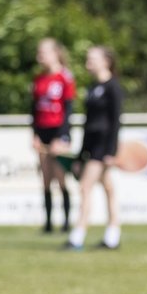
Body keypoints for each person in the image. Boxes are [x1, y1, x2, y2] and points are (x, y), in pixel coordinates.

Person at [64, 46, 125, 251]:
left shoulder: (113, 87)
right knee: (108, 188)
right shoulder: (92, 88)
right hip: (92, 145)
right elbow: (89, 123)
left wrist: (111, 151)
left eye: (92, 59)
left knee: (85, 186)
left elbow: (115, 121)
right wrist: (81, 154)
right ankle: (112, 235)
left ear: (106, 61)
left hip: (103, 147)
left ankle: (77, 236)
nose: (88, 62)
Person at [31, 38, 75, 234]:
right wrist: (35, 134)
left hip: (59, 133)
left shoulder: (65, 77)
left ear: (56, 53)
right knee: (46, 179)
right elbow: (34, 109)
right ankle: (48, 224)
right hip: (43, 133)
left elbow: (68, 109)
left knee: (61, 178)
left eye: (44, 52)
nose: (40, 57)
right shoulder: (38, 79)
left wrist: (63, 136)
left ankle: (66, 223)